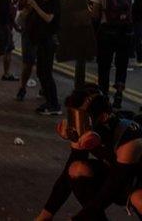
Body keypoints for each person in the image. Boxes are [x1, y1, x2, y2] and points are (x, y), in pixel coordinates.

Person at [36, 86, 142, 220]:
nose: (76, 124)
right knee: (76, 170)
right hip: (121, 180)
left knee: (139, 199)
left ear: (103, 117)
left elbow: (112, 188)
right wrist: (45, 215)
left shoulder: (129, 139)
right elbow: (66, 179)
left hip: (133, 182)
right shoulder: (83, 130)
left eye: (82, 117)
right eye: (73, 116)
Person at [90, 0, 135, 109]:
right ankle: (119, 96)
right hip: (124, 32)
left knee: (104, 65)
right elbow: (130, 11)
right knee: (121, 65)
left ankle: (104, 96)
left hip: (106, 31)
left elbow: (96, 15)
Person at [28, 0, 62, 115]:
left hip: (49, 41)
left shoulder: (54, 1)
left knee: (46, 72)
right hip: (40, 40)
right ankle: (49, 101)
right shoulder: (41, 0)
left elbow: (48, 18)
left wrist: (35, 6)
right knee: (41, 71)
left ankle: (54, 104)